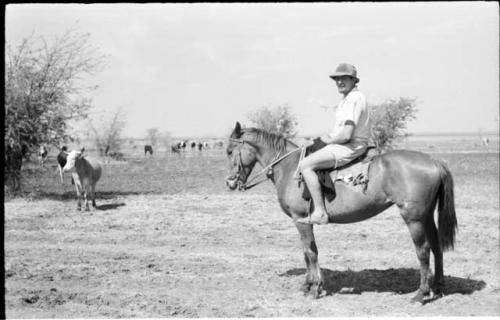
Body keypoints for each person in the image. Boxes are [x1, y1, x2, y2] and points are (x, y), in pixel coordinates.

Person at [296, 63, 372, 225]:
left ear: (353, 80)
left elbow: (346, 134)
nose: (339, 82)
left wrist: (326, 141)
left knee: (306, 165)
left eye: (344, 78)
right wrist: (316, 141)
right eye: (337, 79)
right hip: (343, 144)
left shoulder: (354, 99)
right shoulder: (347, 99)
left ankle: (320, 212)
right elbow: (338, 131)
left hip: (350, 146)